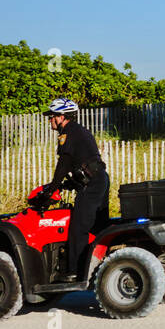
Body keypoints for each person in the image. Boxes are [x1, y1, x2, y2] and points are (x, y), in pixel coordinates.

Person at [40, 98, 109, 282]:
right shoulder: (78, 131)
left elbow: (64, 164)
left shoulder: (68, 133)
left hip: (92, 184)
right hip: (99, 179)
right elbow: (84, 161)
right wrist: (68, 184)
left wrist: (50, 190)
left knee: (78, 227)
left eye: (52, 116)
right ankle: (99, 265)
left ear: (61, 117)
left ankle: (74, 272)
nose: (49, 120)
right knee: (98, 226)